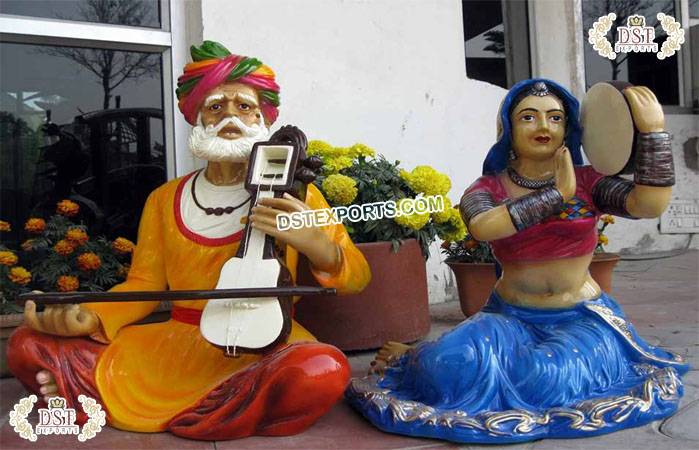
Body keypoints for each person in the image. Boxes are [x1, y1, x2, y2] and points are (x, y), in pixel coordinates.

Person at [7, 41, 371, 440]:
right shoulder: (165, 199)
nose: (230, 115)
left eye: (244, 106)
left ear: (264, 120)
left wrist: (314, 243)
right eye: (216, 106)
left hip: (263, 341)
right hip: (175, 342)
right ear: (196, 118)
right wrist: (93, 316)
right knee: (27, 343)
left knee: (322, 370)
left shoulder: (296, 195)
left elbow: (356, 280)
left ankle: (86, 397)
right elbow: (145, 284)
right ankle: (221, 410)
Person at [346, 79, 688, 444]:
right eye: (529, 117)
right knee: (446, 366)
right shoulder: (488, 188)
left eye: (555, 118)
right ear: (508, 128)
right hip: (510, 316)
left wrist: (653, 135)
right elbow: (483, 227)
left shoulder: (590, 183)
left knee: (549, 377)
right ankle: (415, 358)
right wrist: (556, 195)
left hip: (579, 317)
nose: (544, 127)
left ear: (569, 129)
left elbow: (647, 204)